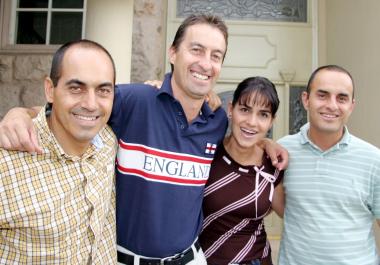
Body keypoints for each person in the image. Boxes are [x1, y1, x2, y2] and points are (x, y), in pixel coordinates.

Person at [0, 15, 288, 264]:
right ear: (173, 53)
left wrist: (267, 143)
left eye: (216, 55)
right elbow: (74, 112)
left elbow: (243, 139)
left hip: (190, 258)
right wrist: (21, 113)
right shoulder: (133, 100)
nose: (205, 63)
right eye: (196, 50)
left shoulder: (216, 121)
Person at [0, 40, 118, 264]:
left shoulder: (107, 139)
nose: (91, 104)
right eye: (76, 88)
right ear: (50, 90)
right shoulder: (6, 164)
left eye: (103, 90)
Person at [278, 65, 380, 265]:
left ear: (351, 105)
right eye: (322, 95)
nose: (332, 105)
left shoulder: (374, 160)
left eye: (341, 98)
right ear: (306, 99)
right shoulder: (282, 151)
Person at [199, 76, 285, 265]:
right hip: (202, 259)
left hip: (254, 260)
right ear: (230, 109)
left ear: (271, 121)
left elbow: (293, 214)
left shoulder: (273, 165)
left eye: (263, 114)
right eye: (245, 110)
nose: (252, 122)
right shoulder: (207, 152)